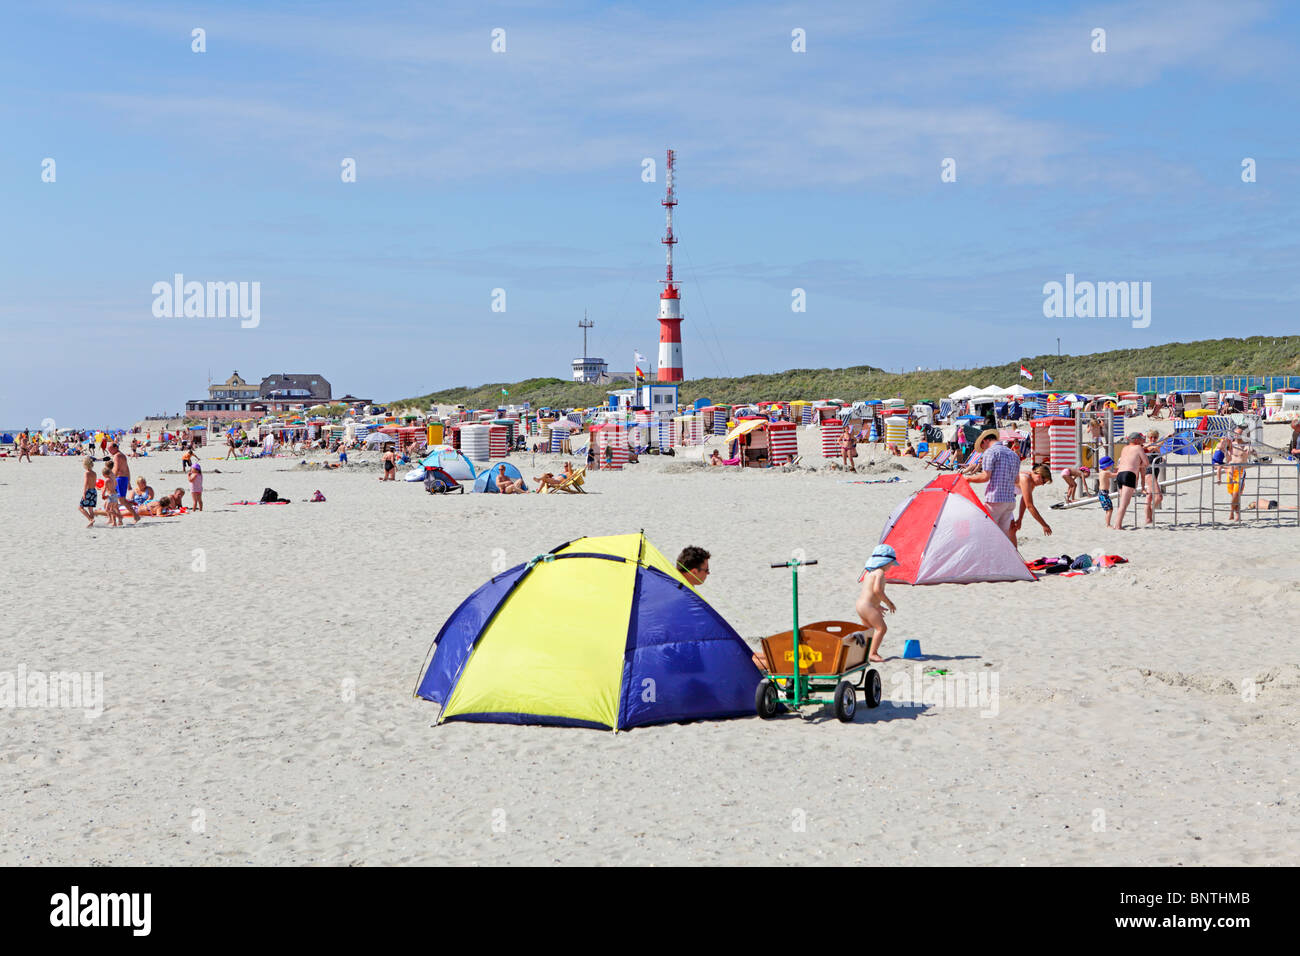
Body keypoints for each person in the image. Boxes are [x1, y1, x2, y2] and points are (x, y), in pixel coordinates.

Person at [965, 430, 1021, 542]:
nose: (983, 449)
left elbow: (985, 476)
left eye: (982, 445)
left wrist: (969, 479)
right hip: (1010, 500)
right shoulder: (1013, 454)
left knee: (984, 531)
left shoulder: (990, 452)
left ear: (986, 440)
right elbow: (1016, 480)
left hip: (996, 499)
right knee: (1002, 536)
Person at [855, 544, 898, 663]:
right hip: (867, 606)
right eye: (891, 564)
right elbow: (877, 590)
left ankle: (862, 653)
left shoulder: (869, 572)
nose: (891, 566)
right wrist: (889, 603)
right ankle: (872, 653)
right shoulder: (879, 573)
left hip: (861, 604)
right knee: (881, 628)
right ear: (886, 562)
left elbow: (868, 592)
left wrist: (877, 605)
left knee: (868, 630)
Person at [1112, 433, 1149, 529]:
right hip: (1129, 474)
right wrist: (1139, 465)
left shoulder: (1124, 448)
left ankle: (1117, 523)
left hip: (1120, 474)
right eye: (1141, 439)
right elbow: (1146, 463)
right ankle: (1117, 525)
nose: (1142, 441)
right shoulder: (1138, 448)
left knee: (1123, 502)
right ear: (1136, 440)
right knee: (1124, 503)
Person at [1011, 465, 1053, 538]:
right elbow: (1030, 506)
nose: (1042, 485)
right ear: (1039, 476)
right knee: (1011, 530)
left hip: (1007, 500)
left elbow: (1024, 500)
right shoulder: (1025, 478)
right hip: (999, 498)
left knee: (1012, 530)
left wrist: (1020, 519)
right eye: (1043, 482)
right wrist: (1044, 524)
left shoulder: (1032, 482)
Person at [107, 442, 140, 522]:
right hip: (123, 479)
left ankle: (135, 516)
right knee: (114, 499)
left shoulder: (117, 456)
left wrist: (111, 478)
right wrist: (128, 481)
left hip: (120, 479)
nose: (109, 451)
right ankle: (113, 519)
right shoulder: (122, 455)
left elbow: (116, 468)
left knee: (121, 500)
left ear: (115, 448)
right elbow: (127, 469)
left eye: (110, 449)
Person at [1226, 426, 1252, 521]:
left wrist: (1250, 451)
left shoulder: (1246, 445)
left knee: (1236, 493)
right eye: (1236, 434)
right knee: (1233, 494)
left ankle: (1232, 512)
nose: (1237, 436)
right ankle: (1236, 513)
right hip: (1231, 471)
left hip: (1240, 471)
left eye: (1239, 434)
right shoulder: (1231, 445)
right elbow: (1222, 450)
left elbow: (1252, 451)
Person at [78, 456, 98, 527]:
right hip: (94, 491)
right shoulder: (94, 473)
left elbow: (86, 483)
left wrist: (84, 492)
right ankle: (91, 523)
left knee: (80, 507)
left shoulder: (87, 473)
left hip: (88, 491)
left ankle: (90, 520)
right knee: (90, 508)